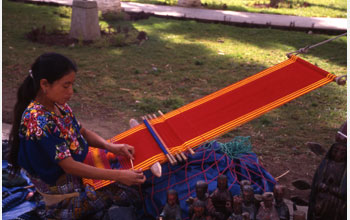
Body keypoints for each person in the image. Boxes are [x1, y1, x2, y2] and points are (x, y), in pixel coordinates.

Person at [8, 52, 146, 219]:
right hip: (62, 200)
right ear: (44, 84)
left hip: (73, 179)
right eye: (66, 86)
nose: (71, 91)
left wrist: (112, 147)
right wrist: (119, 176)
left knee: (129, 171)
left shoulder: (59, 107)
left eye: (72, 85)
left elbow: (83, 132)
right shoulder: (38, 120)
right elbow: (69, 166)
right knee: (133, 192)